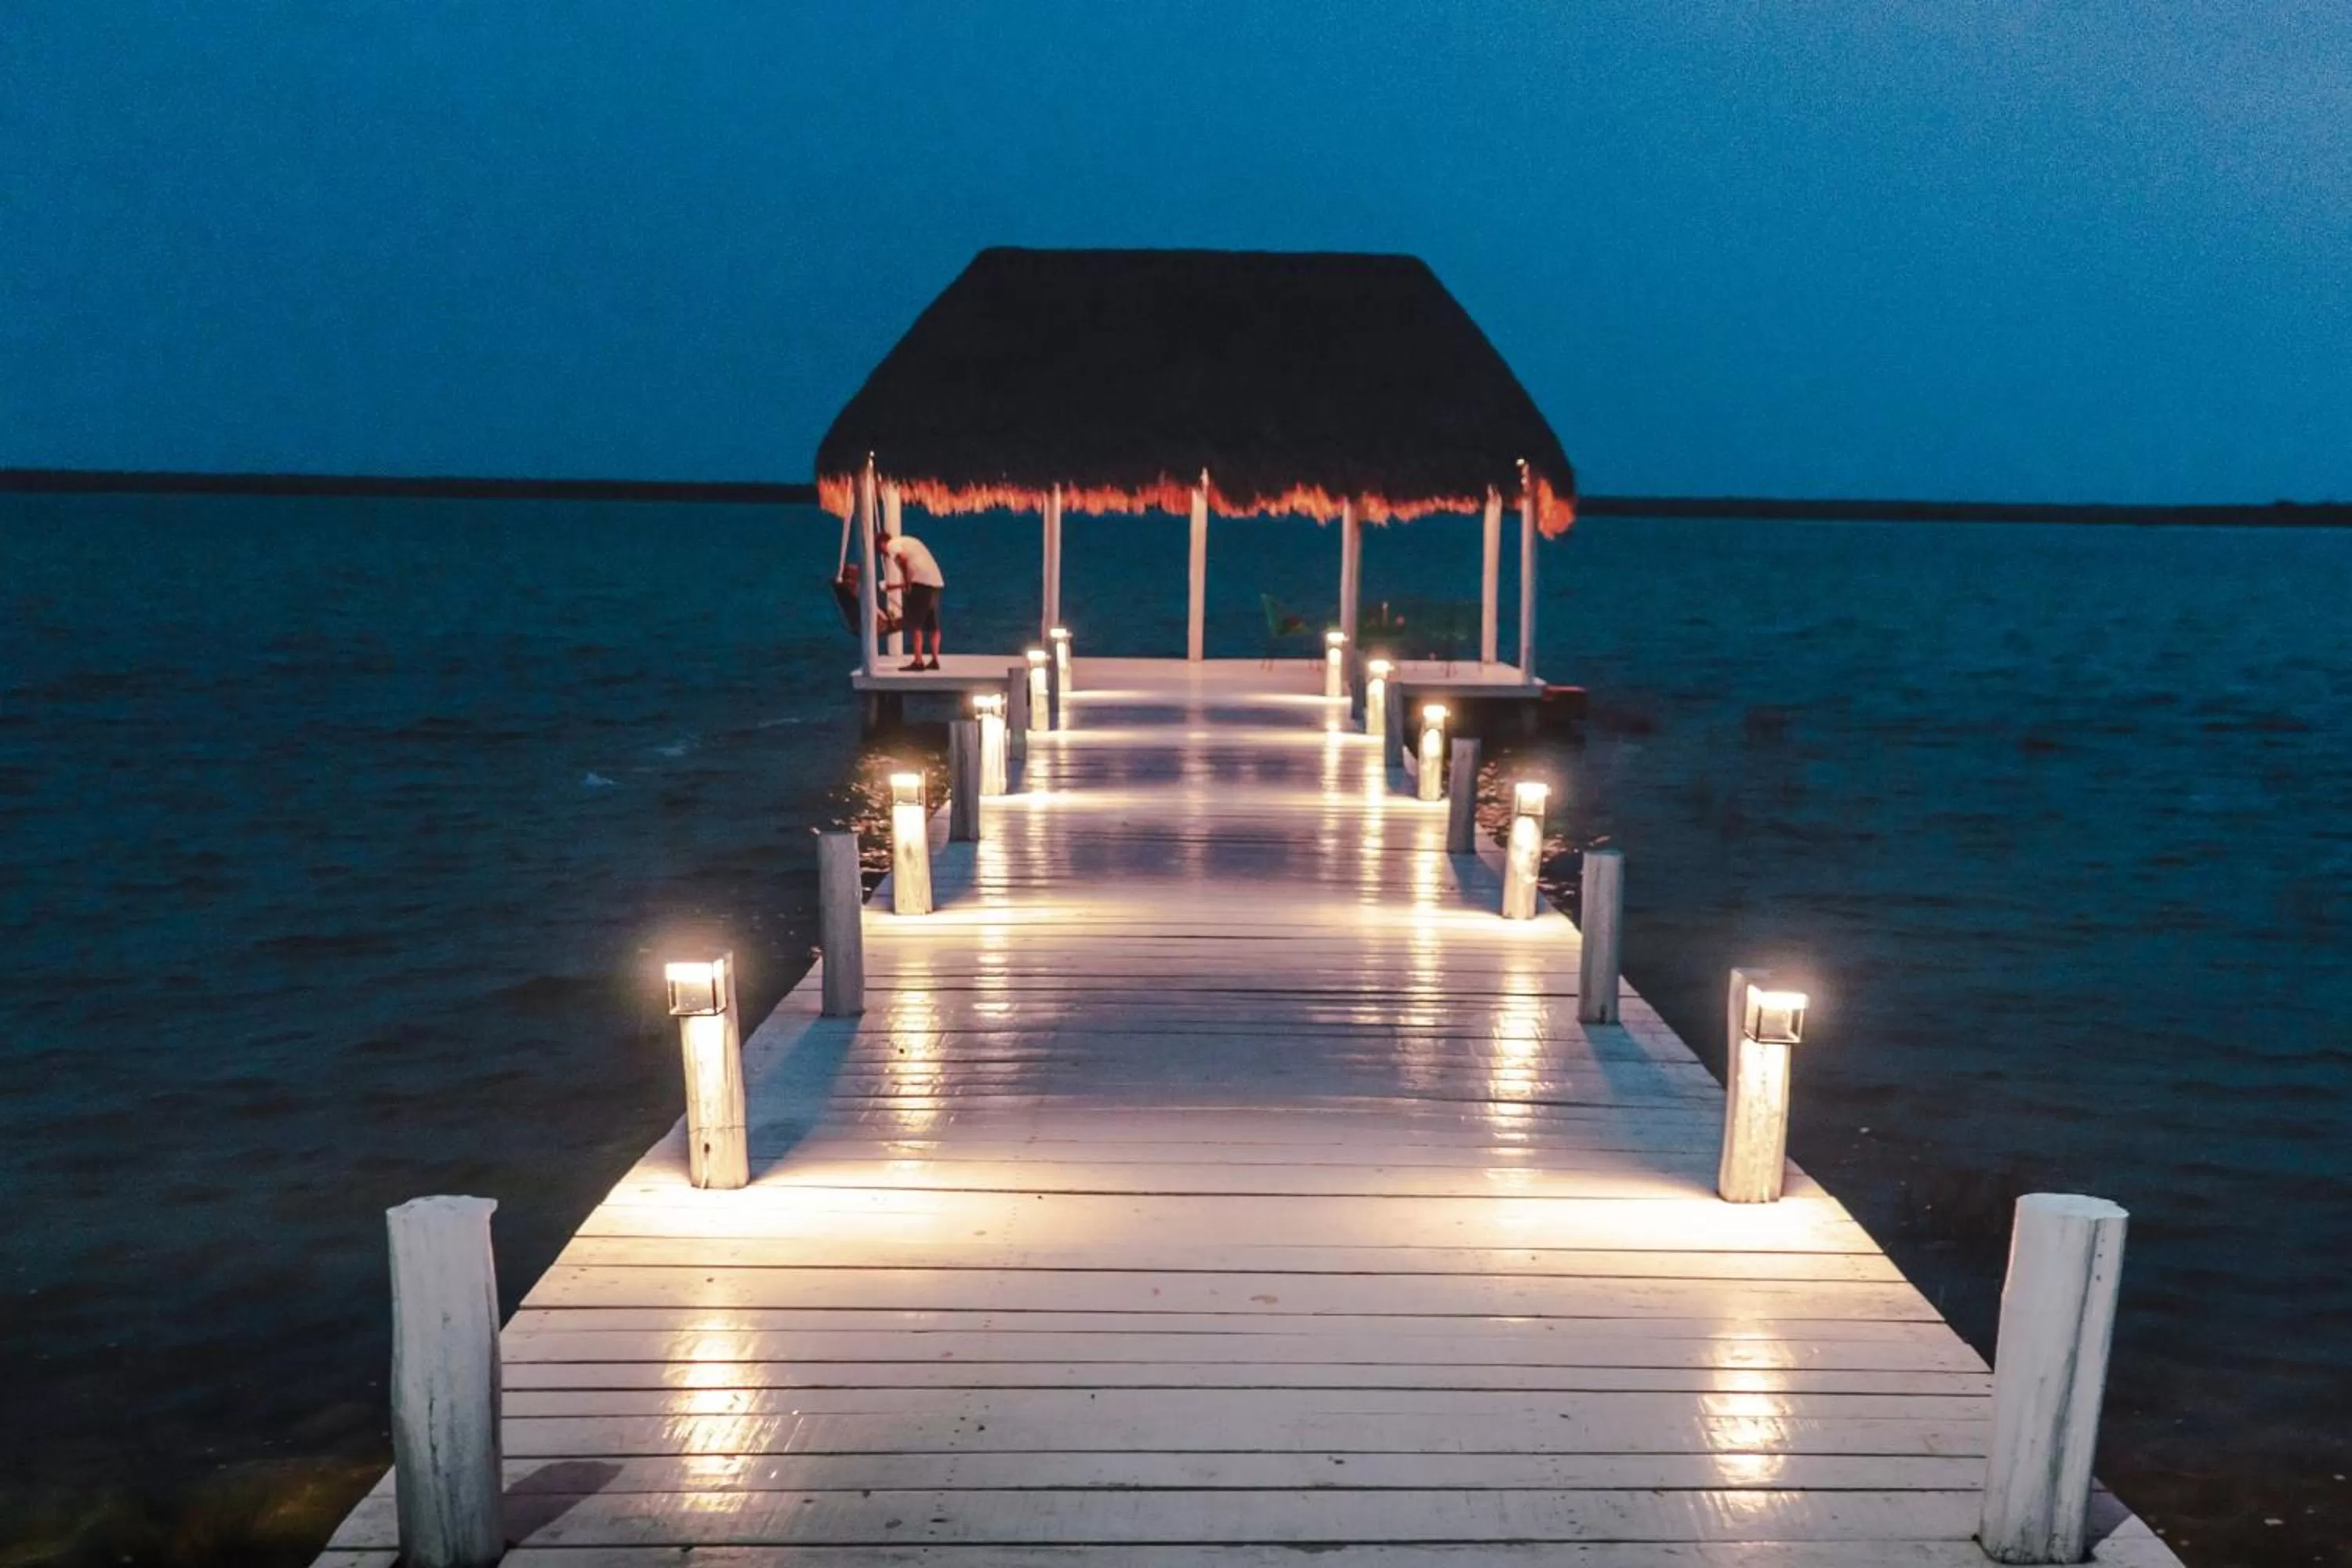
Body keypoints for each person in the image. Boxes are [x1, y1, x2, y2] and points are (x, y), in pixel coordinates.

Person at [880, 529, 946, 670]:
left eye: (879, 549)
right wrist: (897, 586)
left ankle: (918, 661)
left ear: (882, 543)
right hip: (935, 582)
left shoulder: (892, 545)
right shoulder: (908, 541)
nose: (883, 554)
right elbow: (914, 568)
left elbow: (903, 559)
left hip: (921, 583)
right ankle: (935, 660)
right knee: (933, 624)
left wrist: (907, 581)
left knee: (915, 623)